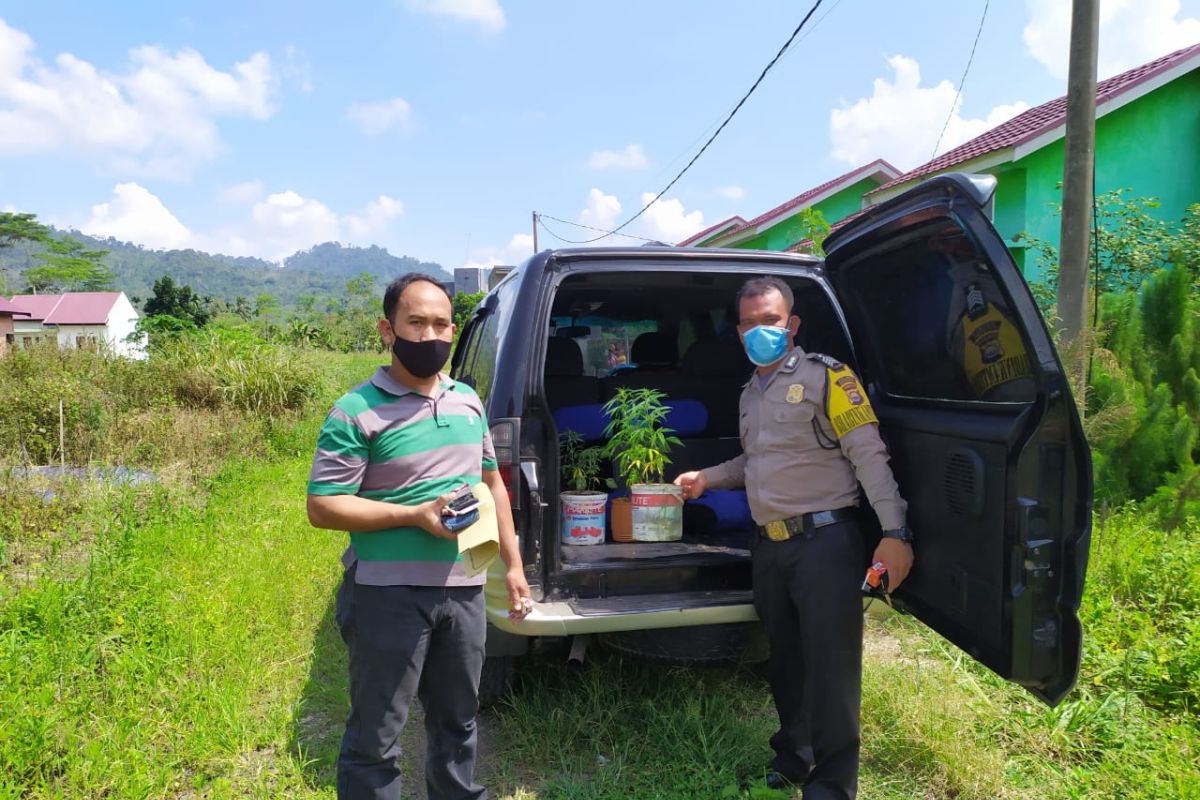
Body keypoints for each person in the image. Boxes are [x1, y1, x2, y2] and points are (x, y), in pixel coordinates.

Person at [673, 276, 914, 800]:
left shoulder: (828, 377)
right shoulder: (750, 392)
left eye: (771, 321)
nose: (761, 330)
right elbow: (756, 461)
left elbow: (869, 454)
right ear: (737, 332)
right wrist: (706, 478)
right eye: (750, 323)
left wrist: (895, 532)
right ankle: (793, 759)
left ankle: (831, 785)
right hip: (771, 546)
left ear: (791, 325)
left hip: (826, 543)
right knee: (786, 661)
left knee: (831, 669)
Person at [306, 273, 532, 800]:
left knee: (458, 724)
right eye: (416, 322)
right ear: (388, 330)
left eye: (440, 324)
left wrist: (514, 567)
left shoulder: (469, 402)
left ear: (454, 330)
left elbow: (492, 484)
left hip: (465, 587)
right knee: (377, 737)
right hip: (386, 596)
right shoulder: (355, 411)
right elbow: (322, 506)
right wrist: (412, 516)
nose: (430, 335)